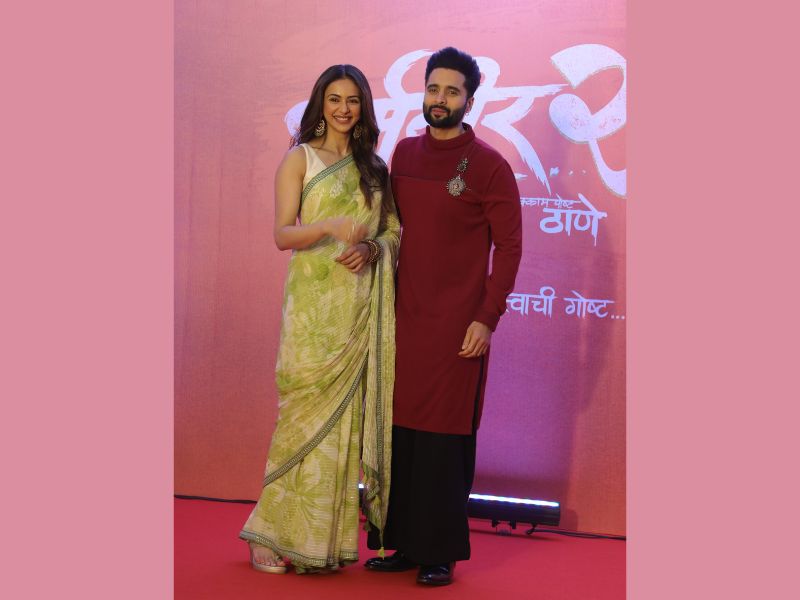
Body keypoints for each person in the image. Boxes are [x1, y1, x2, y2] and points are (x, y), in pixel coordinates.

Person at [364, 47, 522, 586]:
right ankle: (402, 543)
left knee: (443, 440)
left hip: (459, 329)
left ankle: (439, 553)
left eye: (452, 91)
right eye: (433, 89)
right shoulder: (405, 154)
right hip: (402, 322)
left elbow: (510, 248)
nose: (440, 99)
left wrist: (486, 317)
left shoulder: (490, 166)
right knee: (401, 434)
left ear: (469, 101)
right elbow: (389, 229)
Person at [239, 64, 400, 574]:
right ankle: (266, 533)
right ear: (321, 104)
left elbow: (393, 232)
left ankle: (318, 543)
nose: (344, 109)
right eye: (335, 99)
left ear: (363, 107)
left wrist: (372, 249)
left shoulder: (374, 169)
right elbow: (282, 235)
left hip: (355, 312)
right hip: (311, 312)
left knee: (340, 431)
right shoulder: (300, 158)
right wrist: (328, 225)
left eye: (353, 100)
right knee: (297, 421)